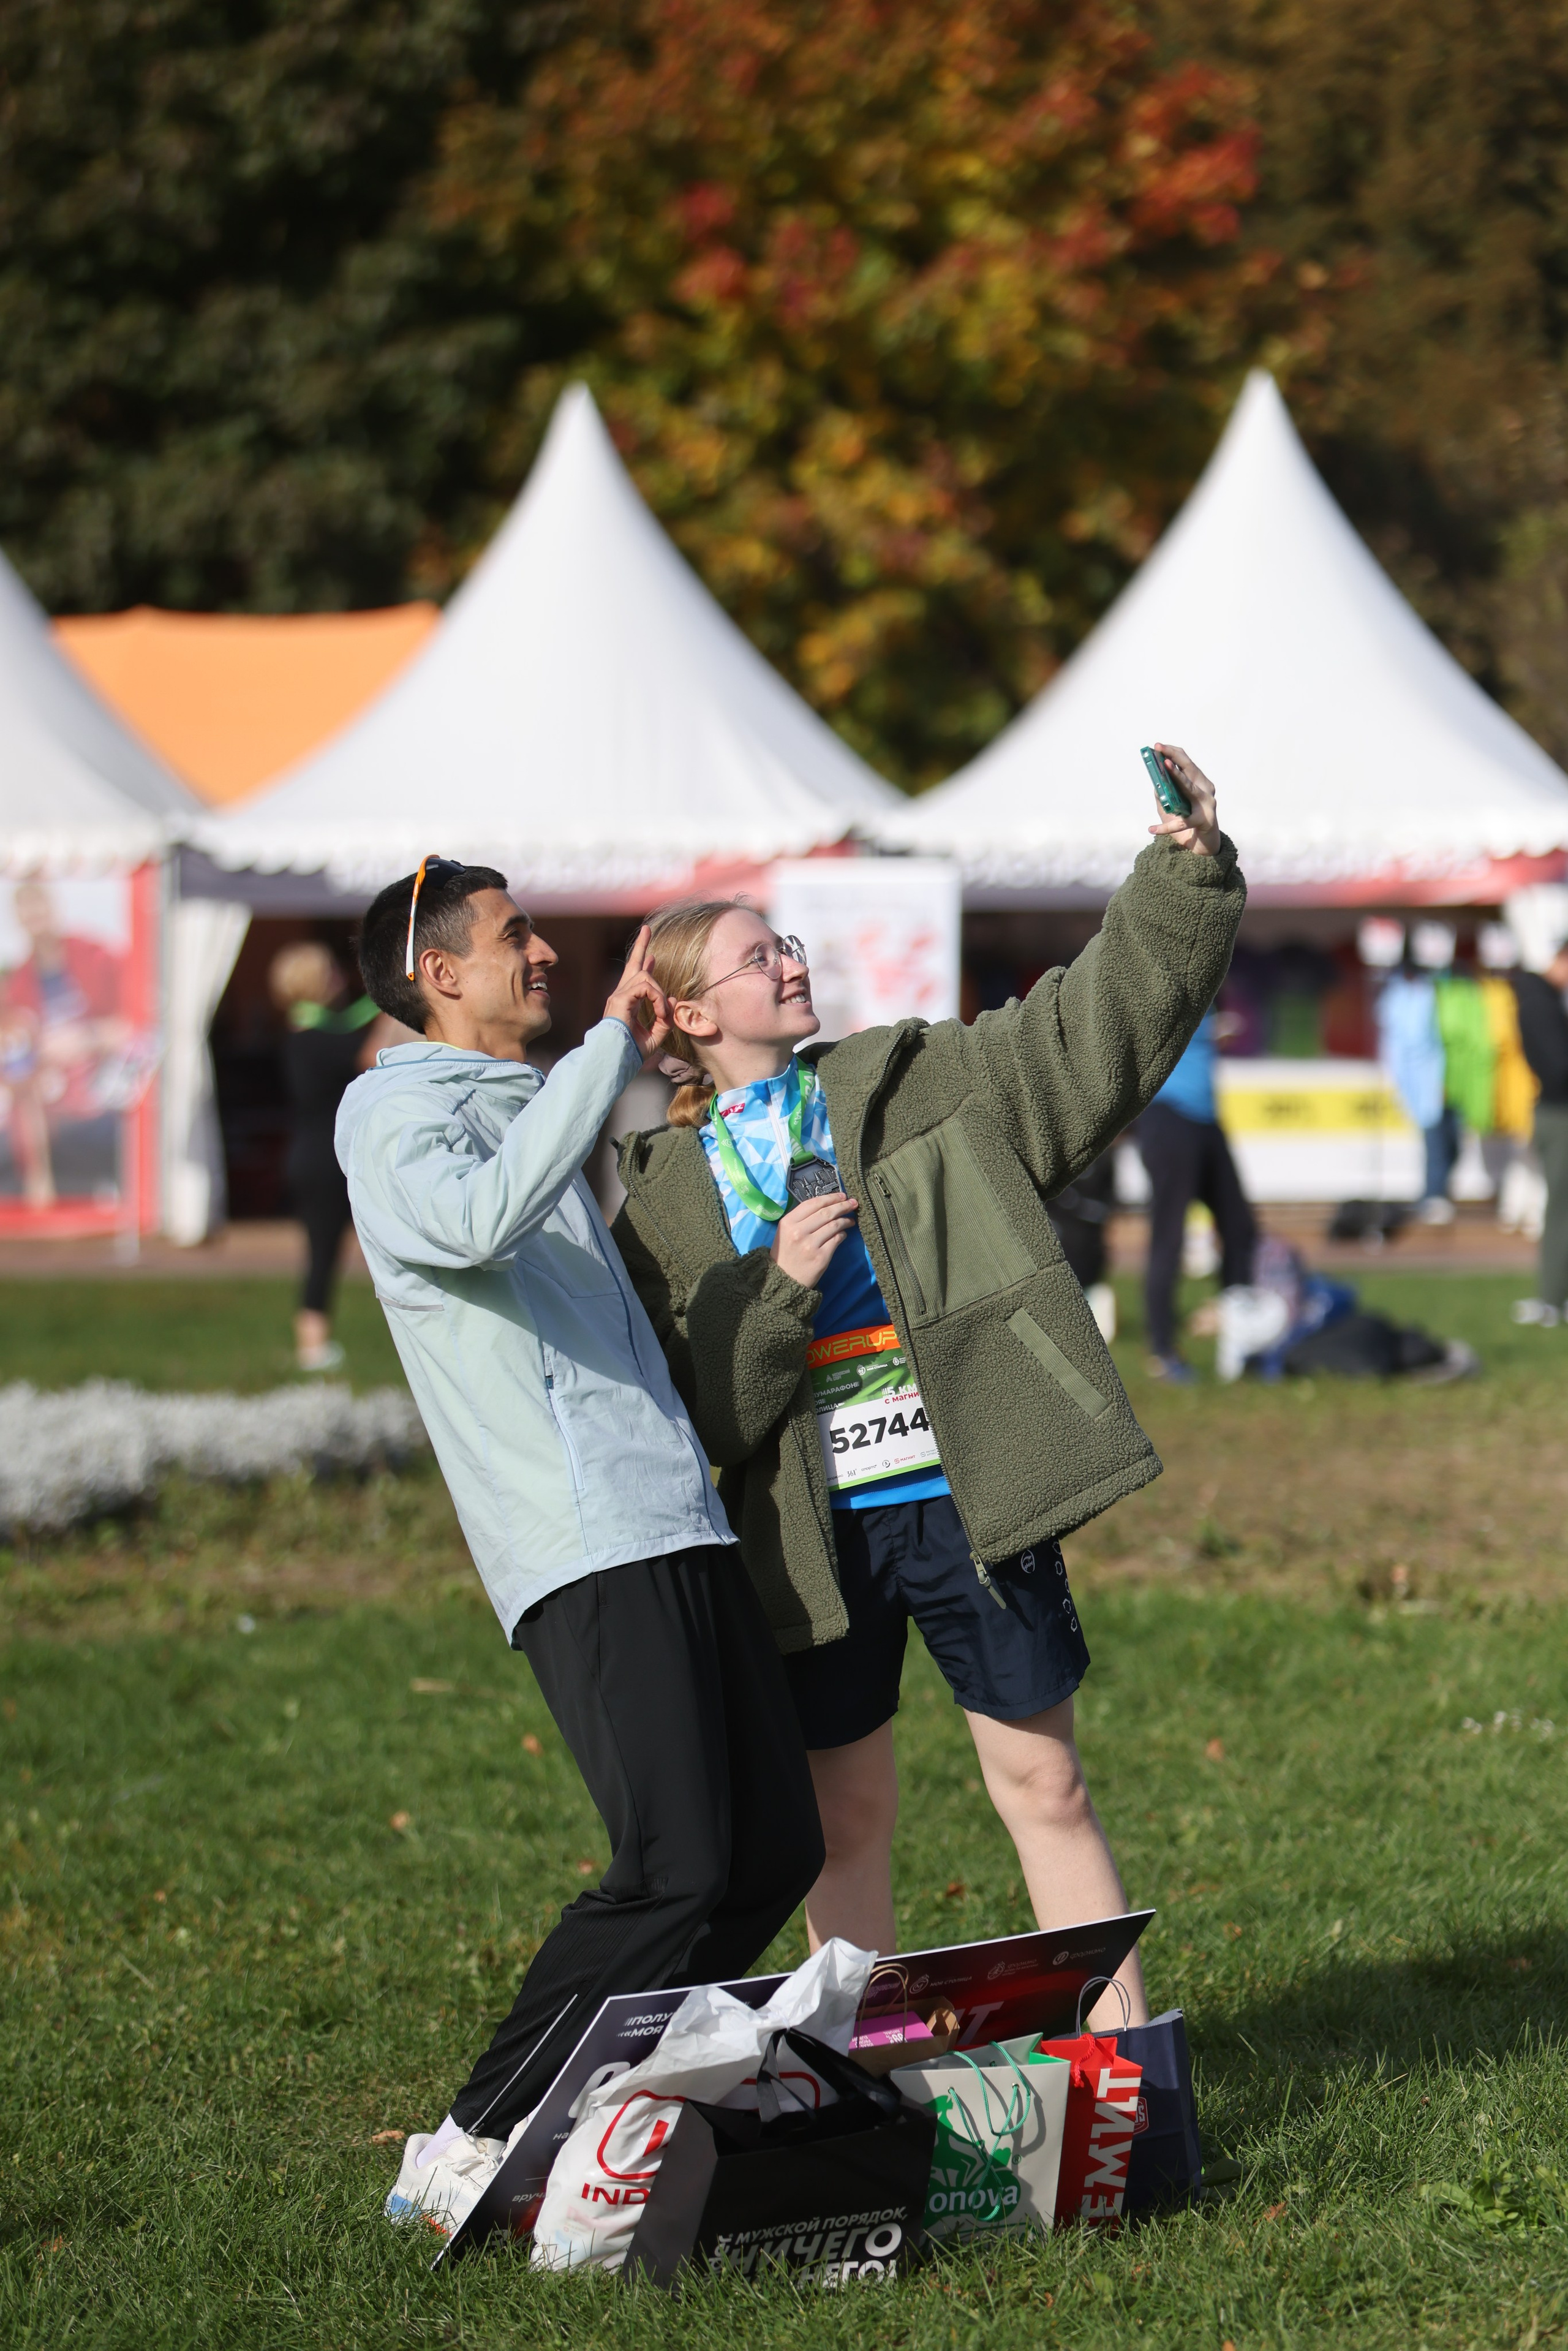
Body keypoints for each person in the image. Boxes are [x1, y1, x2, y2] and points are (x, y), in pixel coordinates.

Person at [612, 745, 1244, 2027]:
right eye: (754, 956)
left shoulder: (905, 1084)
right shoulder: (663, 1201)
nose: (789, 960)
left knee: (1046, 1785)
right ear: (686, 1015)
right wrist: (779, 1287)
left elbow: (1084, 1033)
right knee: (840, 1823)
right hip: (811, 1538)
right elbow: (715, 1420)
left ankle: (1123, 2069)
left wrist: (1177, 877)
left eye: (784, 942)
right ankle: (855, 2073)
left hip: (965, 1494)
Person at [336, 859, 823, 2234]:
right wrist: (609, 1047)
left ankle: (619, 2099)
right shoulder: (392, 1120)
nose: (542, 952)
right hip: (575, 1537)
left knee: (770, 1847)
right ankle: (465, 2142)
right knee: (669, 1862)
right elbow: (478, 1220)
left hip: (668, 1508)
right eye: (513, 937)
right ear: (440, 973)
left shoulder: (520, 1104)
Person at [268, 941, 394, 1372]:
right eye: (332, 972)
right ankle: (312, 1348)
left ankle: (316, 1345)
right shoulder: (312, 1035)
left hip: (315, 1157)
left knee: (336, 1252)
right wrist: (394, 1005)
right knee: (324, 1254)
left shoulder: (315, 1031)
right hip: (324, 1162)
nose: (340, 978)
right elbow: (366, 1055)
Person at [1135, 1006, 1257, 1383]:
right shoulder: (1161, 975)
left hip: (1206, 1119)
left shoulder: (1208, 990)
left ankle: (1242, 1339)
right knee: (1169, 1236)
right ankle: (1162, 1352)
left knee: (1241, 1229)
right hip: (1168, 1116)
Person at [1510, 938, 1568, 1326]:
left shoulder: (1543, 1002)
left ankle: (1554, 1297)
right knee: (1563, 1209)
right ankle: (1553, 1298)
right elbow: (1559, 1069)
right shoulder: (1539, 1005)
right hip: (1559, 1113)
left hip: (1554, 1112)